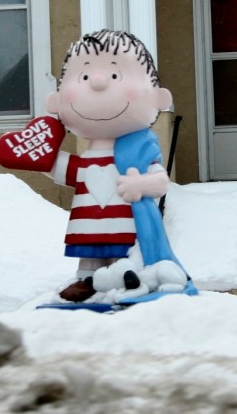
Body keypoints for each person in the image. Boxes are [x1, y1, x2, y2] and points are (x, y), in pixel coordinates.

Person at [44, 30, 173, 301]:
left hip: (125, 227)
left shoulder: (139, 155)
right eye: (84, 76)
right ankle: (87, 280)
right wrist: (39, 158)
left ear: (159, 98)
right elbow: (63, 169)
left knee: (121, 254)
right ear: (55, 102)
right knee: (88, 257)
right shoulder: (86, 162)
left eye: (115, 75)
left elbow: (160, 182)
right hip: (87, 226)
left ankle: (123, 275)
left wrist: (140, 184)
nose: (99, 82)